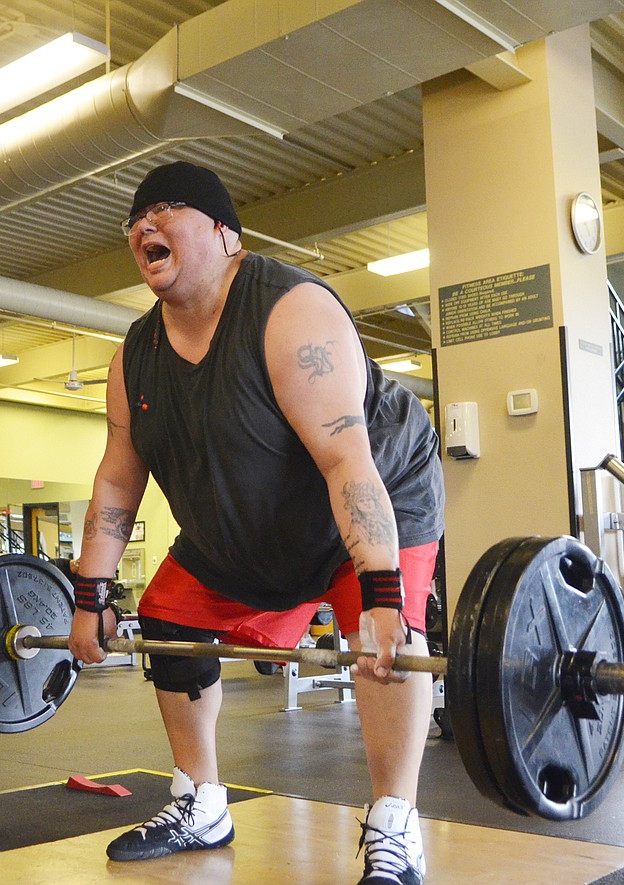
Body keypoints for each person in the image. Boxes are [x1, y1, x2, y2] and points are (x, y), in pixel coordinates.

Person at [68, 160, 445, 885]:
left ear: (224, 231)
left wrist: (386, 597)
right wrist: (90, 593)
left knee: (383, 640)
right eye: (134, 218)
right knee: (168, 617)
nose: (143, 224)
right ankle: (202, 801)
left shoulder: (290, 312)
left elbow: (345, 461)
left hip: (370, 494)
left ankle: (396, 824)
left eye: (168, 207)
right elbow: (119, 474)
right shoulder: (134, 357)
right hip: (250, 521)